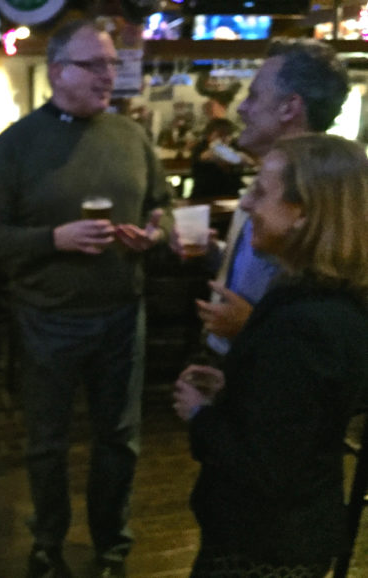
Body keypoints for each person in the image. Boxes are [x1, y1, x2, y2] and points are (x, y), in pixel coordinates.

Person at [0, 18, 173, 578]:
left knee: (119, 442)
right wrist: (52, 240)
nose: (111, 74)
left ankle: (112, 546)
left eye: (113, 63)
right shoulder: (15, 145)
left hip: (120, 313)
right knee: (47, 443)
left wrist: (154, 233)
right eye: (96, 64)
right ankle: (48, 542)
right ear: (58, 71)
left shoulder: (132, 137)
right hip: (47, 317)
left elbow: (161, 205)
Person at [173, 133, 368, 577]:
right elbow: (300, 415)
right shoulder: (326, 301)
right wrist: (240, 388)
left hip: (266, 550)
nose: (245, 205)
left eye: (260, 190)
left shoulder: (306, 323)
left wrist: (201, 414)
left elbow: (263, 468)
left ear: (303, 213)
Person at [172, 38, 349, 360]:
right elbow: (265, 270)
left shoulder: (323, 198)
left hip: (266, 373)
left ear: (289, 107)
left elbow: (332, 323)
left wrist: (251, 326)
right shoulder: (271, 179)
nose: (241, 108)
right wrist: (215, 254)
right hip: (231, 360)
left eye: (253, 96)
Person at [189, 118, 249, 201]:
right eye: (220, 135)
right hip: (204, 197)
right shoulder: (201, 148)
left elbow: (246, 159)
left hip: (232, 195)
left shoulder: (234, 147)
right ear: (208, 136)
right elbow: (204, 158)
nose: (225, 139)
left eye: (228, 135)